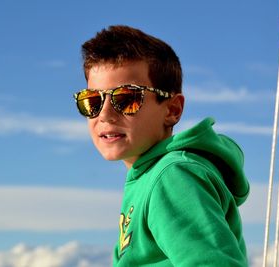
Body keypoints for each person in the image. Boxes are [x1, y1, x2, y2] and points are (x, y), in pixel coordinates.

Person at [73, 25, 250, 266]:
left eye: (126, 98)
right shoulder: (148, 178)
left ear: (172, 110)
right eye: (92, 100)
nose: (104, 114)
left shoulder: (172, 177)